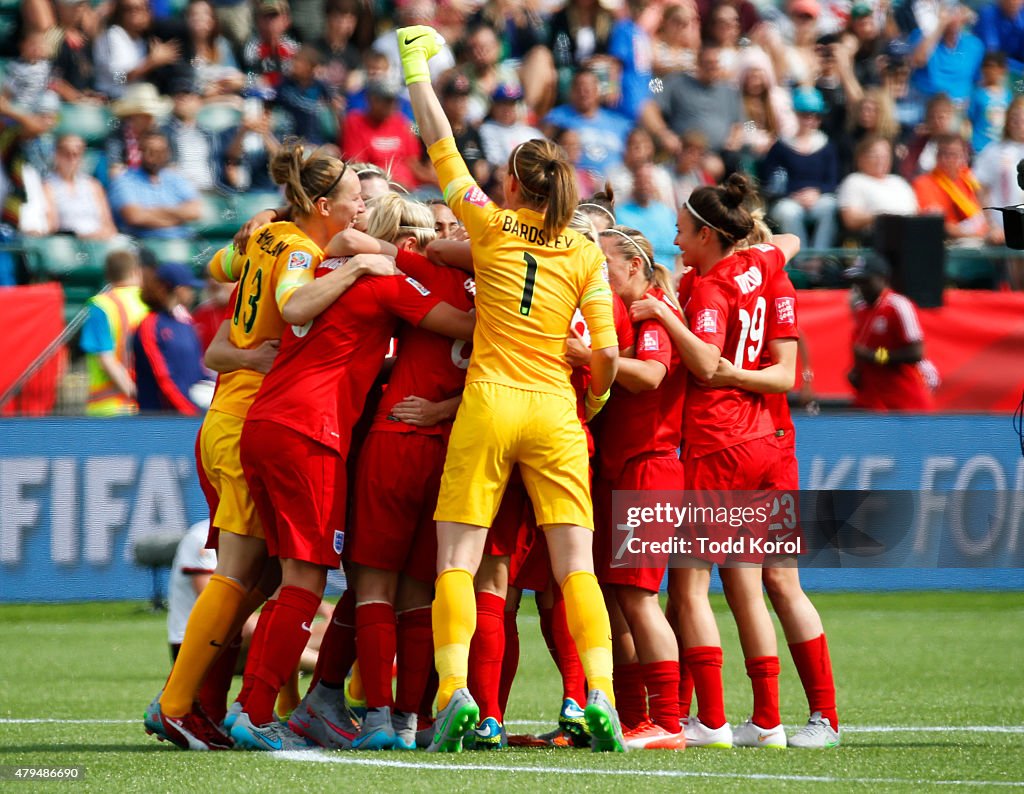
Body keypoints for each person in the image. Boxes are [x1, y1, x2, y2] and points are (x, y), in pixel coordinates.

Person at [395, 24, 625, 753]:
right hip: (556, 410)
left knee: (457, 561)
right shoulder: (587, 249)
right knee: (574, 567)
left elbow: (440, 149)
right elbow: (606, 354)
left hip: (489, 400)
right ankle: (601, 696)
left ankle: (455, 693)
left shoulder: (490, 228)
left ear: (515, 185)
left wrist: (416, 72)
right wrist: (591, 401)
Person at [147, 143, 388, 753]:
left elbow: (219, 268)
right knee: (239, 576)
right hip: (252, 414)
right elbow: (291, 303)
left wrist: (257, 234)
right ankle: (176, 704)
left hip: (232, 416)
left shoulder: (269, 236)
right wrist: (361, 266)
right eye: (356, 200)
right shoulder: (301, 251)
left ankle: (202, 704)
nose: (362, 209)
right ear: (324, 202)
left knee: (256, 576)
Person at [233, 198, 474, 752]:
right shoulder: (391, 284)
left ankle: (246, 705)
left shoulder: (314, 266)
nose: (430, 241)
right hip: (316, 433)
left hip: (270, 420)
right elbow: (465, 324)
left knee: (283, 578)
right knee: (314, 581)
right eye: (420, 232)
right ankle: (259, 712)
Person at [630, 174, 800, 749]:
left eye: (682, 232)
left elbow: (704, 362)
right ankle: (771, 720)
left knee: (689, 590)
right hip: (763, 437)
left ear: (707, 233)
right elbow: (786, 244)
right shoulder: (765, 267)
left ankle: (713, 720)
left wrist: (662, 313)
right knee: (750, 588)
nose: (676, 242)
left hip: (716, 440)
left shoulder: (710, 289)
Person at [328, 195, 475, 750]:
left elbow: (355, 244)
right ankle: (411, 723)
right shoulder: (504, 291)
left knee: (373, 587)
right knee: (419, 594)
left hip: (398, 439)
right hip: (452, 450)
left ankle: (377, 721)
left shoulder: (425, 271)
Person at [708, 231, 841, 749]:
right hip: (762, 445)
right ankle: (785, 718)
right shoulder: (764, 278)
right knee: (762, 584)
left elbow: (782, 374)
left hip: (753, 443)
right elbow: (789, 238)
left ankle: (804, 717)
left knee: (767, 584)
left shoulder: (744, 285)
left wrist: (726, 374)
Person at [592, 225, 687, 751]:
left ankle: (669, 722)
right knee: (616, 599)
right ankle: (634, 719)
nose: (598, 274)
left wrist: (586, 357)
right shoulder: (625, 314)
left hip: (649, 469)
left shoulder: (651, 311)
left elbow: (651, 375)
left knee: (640, 598)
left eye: (604, 263)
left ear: (633, 265)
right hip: (620, 469)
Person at [846, 253, 934, 412]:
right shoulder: (860, 309)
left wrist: (876, 356)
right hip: (872, 401)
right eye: (857, 283)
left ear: (882, 278)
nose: (861, 288)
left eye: (866, 281)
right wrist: (857, 371)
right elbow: (862, 347)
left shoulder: (898, 306)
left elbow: (915, 353)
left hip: (903, 402)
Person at [762, 87, 840, 251]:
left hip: (819, 198)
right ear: (796, 114)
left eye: (816, 115)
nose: (810, 120)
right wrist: (793, 194)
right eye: (805, 115)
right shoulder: (781, 146)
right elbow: (771, 181)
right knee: (788, 212)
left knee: (830, 207)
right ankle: (801, 258)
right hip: (789, 199)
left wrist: (816, 192)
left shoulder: (827, 146)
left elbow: (832, 181)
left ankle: (819, 257)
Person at [79, 250, 149, 416]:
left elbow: (106, 359)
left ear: (108, 275)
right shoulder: (150, 302)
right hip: (147, 406)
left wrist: (133, 393)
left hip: (109, 407)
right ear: (136, 271)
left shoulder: (101, 305)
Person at [133, 262, 205, 415]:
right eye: (188, 287)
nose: (192, 293)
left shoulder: (186, 322)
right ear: (177, 289)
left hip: (191, 415)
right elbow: (162, 377)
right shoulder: (150, 324)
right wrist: (189, 411)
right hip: (160, 420)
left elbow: (198, 367)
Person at [109, 131, 203, 240]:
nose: (153, 157)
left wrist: (152, 211)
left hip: (183, 239)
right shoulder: (124, 180)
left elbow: (195, 211)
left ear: (168, 153)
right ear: (140, 152)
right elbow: (135, 217)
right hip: (143, 243)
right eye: (149, 151)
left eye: (160, 151)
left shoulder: (176, 178)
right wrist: (177, 219)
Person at [542, 69, 633, 175]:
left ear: (597, 90)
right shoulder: (556, 118)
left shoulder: (619, 123)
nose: (583, 93)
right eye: (579, 88)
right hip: (575, 180)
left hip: (615, 182)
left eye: (588, 88)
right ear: (572, 91)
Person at [837, 136, 918, 242]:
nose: (880, 160)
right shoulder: (854, 181)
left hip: (911, 233)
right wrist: (880, 217)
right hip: (877, 238)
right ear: (860, 158)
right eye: (874, 155)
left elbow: (916, 212)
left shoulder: (899, 181)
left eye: (885, 156)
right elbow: (850, 220)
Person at [912, 134, 989, 245]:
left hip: (979, 243)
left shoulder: (969, 181)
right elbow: (936, 224)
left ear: (964, 156)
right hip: (947, 245)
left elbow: (985, 215)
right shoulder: (924, 183)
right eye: (942, 153)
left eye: (953, 154)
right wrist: (976, 235)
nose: (946, 159)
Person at [44, 135, 121, 240]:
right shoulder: (47, 186)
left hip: (99, 241)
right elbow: (53, 226)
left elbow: (109, 225)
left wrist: (100, 235)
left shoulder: (94, 185)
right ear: (57, 154)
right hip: (69, 242)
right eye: (66, 153)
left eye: (77, 153)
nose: (71, 158)